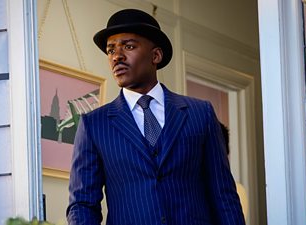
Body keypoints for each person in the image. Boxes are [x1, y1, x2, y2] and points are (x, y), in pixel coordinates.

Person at [66, 8, 245, 225]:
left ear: (156, 56)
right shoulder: (94, 125)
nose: (117, 56)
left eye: (129, 46)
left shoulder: (201, 114)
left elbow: (223, 195)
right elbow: (83, 205)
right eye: (111, 50)